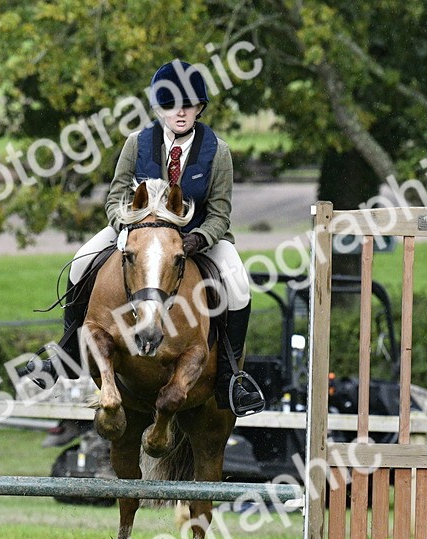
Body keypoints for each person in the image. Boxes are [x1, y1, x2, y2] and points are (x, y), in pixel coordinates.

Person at [27, 60, 265, 415]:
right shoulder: (137, 143)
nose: (180, 112)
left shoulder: (218, 152)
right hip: (135, 229)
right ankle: (65, 354)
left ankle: (231, 376)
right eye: (171, 105)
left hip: (195, 238)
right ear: (159, 108)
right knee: (79, 264)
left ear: (200, 108)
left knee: (240, 285)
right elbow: (115, 195)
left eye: (188, 105)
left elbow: (220, 213)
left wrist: (198, 239)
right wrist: (124, 227)